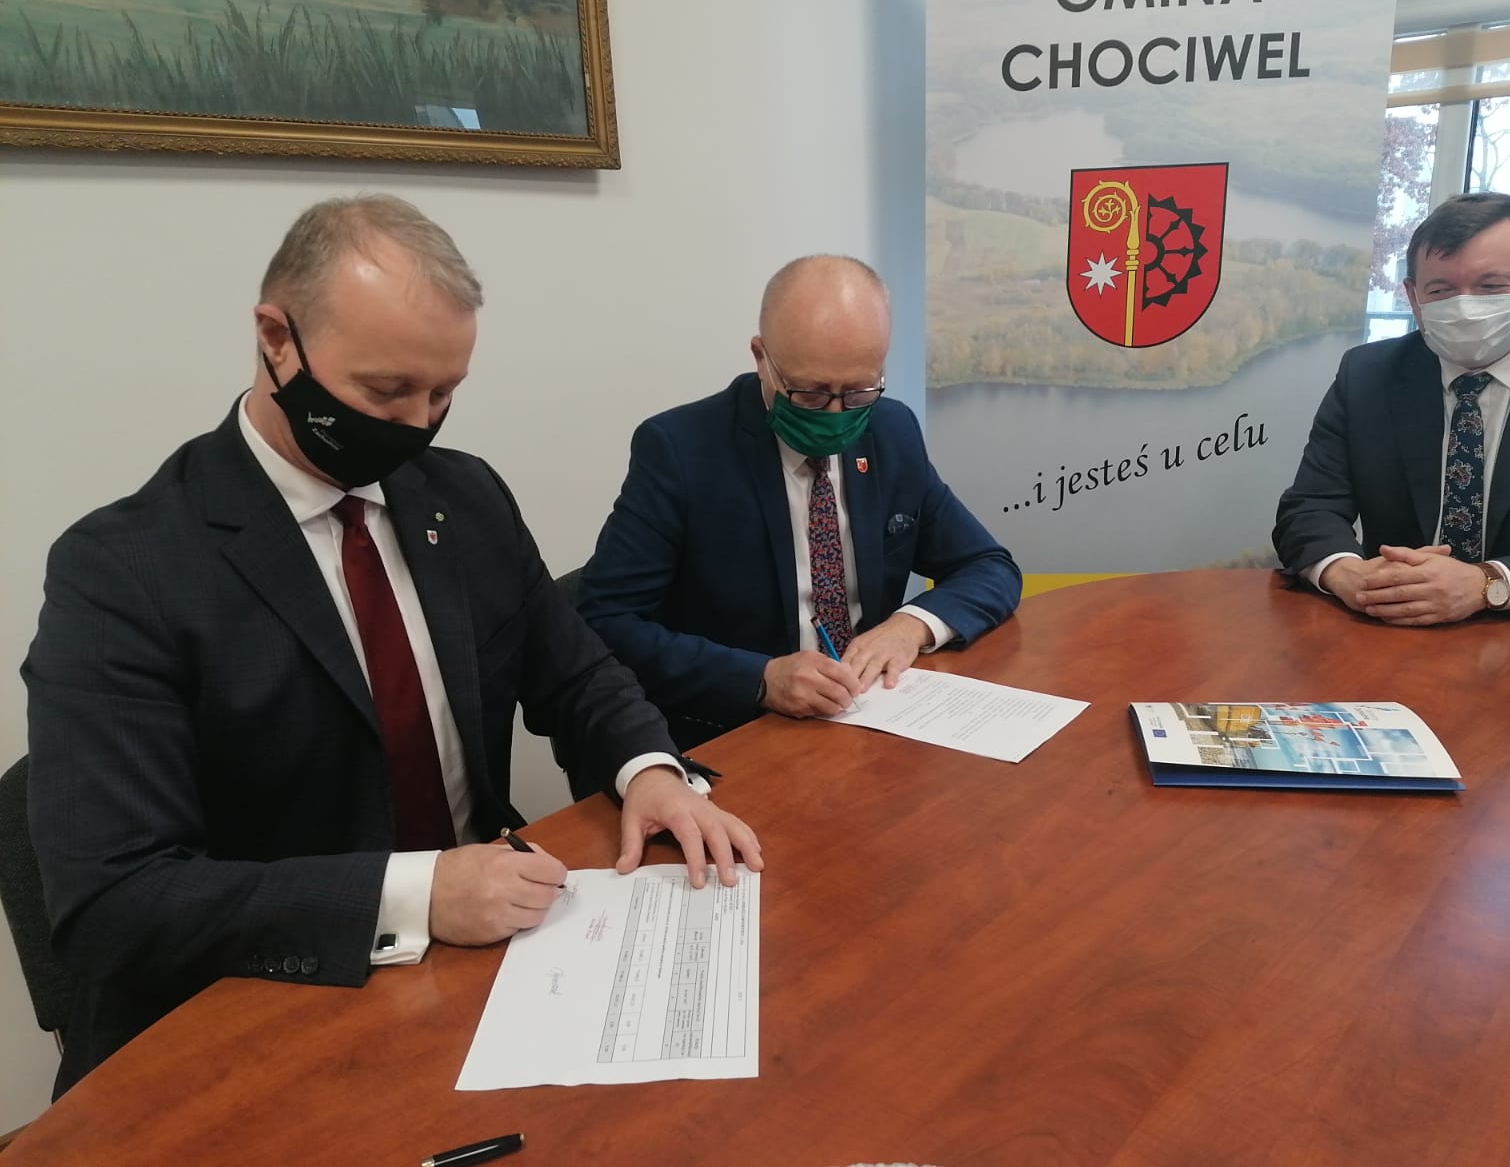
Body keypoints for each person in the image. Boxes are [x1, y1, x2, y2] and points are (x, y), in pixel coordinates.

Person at [22, 195, 762, 1096]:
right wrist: (418, 895)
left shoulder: (465, 496)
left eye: (443, 393)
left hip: (494, 974)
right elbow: (114, 902)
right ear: (277, 339)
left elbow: (575, 674)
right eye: (384, 392)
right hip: (265, 1009)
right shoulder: (124, 569)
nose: (416, 426)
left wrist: (649, 769)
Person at [576, 254, 1021, 749]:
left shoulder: (891, 431)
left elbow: (989, 566)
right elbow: (604, 621)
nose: (835, 413)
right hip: (740, 734)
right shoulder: (680, 450)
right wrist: (760, 679)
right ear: (761, 358)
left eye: (858, 391)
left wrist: (908, 626)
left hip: (870, 721)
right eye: (809, 394)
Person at [1273, 191, 1510, 625]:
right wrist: (1347, 573)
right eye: (1441, 290)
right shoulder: (1368, 374)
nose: (1464, 307)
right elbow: (1309, 507)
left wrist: (1488, 584)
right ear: (1413, 296)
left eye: (1491, 287)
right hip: (1390, 628)